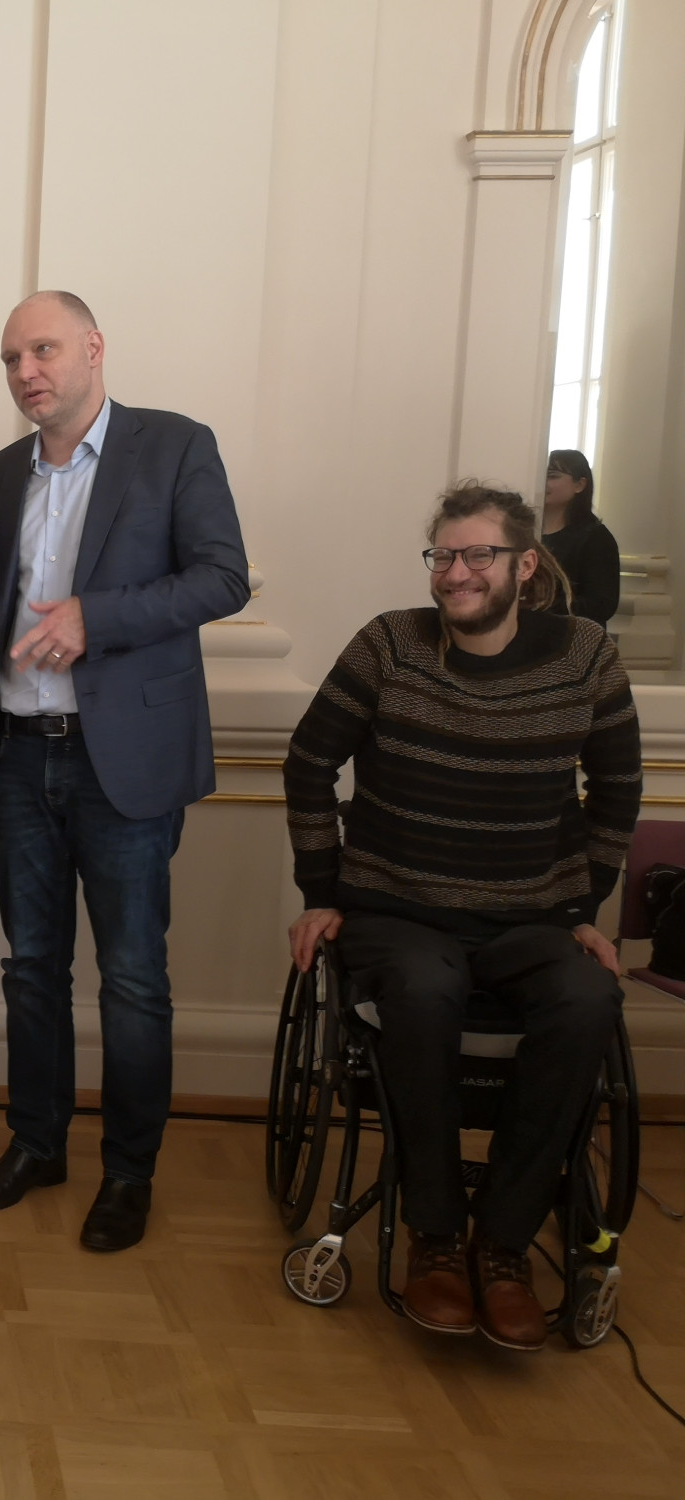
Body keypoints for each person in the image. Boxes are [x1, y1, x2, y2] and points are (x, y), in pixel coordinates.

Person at [284, 485, 639, 1351]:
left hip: (530, 921)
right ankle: (436, 1237)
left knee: (588, 999)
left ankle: (505, 1246)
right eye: (443, 555)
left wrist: (583, 907)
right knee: (422, 987)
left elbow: (617, 790)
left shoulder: (586, 657)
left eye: (479, 554)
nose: (456, 572)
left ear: (525, 565)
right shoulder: (390, 645)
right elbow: (308, 762)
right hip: (397, 912)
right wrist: (321, 891)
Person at [0, 291, 249, 1253]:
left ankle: (129, 1173)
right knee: (31, 970)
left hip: (122, 760)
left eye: (43, 350)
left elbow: (223, 576)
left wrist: (98, 616)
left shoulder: (174, 446)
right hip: (15, 756)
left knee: (131, 978)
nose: (26, 372)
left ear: (93, 348)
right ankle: (37, 1146)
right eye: (12, 358)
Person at [541, 448, 620, 625]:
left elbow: (602, 604)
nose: (543, 482)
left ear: (579, 485)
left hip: (570, 634)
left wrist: (541, 606)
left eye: (552, 476)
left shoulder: (596, 537)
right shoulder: (526, 531)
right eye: (541, 475)